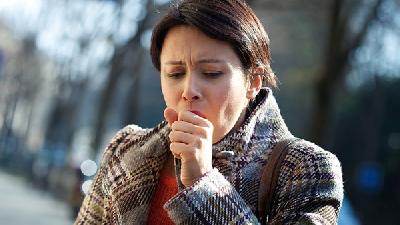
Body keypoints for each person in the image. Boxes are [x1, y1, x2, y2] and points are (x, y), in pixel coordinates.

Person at [74, 0, 343, 224]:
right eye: (175, 73)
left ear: (254, 81)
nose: (189, 89)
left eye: (212, 73)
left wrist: (203, 183)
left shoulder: (305, 168)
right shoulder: (125, 149)